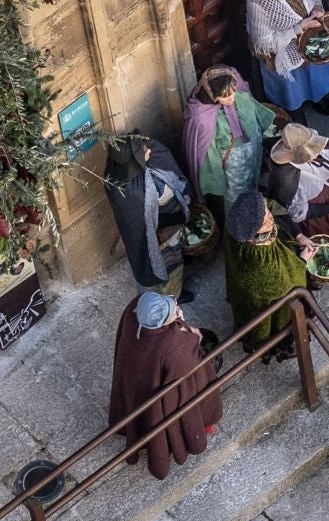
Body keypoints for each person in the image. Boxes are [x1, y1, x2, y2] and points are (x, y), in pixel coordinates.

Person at [107, 291, 221, 480]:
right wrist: (193, 336)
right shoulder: (169, 345)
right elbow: (188, 362)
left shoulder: (135, 308)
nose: (177, 310)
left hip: (136, 380)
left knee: (142, 411)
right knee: (193, 397)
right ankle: (195, 430)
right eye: (173, 312)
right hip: (164, 389)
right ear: (160, 324)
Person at [104, 135, 193, 301]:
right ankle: (171, 297)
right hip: (156, 235)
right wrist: (179, 218)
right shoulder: (129, 191)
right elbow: (146, 223)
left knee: (173, 259)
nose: (149, 151)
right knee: (163, 267)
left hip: (168, 223)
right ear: (132, 162)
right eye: (143, 152)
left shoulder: (123, 165)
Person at [221, 191, 312, 354]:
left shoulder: (236, 223)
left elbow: (271, 206)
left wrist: (299, 235)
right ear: (253, 235)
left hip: (240, 288)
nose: (270, 218)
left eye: (267, 214)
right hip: (265, 305)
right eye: (265, 221)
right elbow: (285, 285)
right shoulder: (263, 261)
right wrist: (302, 261)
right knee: (270, 323)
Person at [180, 65, 276, 216]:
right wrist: (217, 178)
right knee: (237, 197)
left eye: (233, 92)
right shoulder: (201, 117)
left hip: (252, 151)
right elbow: (206, 154)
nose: (231, 98)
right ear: (212, 95)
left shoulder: (237, 92)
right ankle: (239, 222)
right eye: (225, 96)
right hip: (232, 165)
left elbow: (252, 109)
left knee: (254, 182)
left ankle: (255, 209)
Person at [262, 122, 329, 249]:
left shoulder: (306, 140)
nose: (316, 155)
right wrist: (327, 208)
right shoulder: (286, 179)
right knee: (327, 238)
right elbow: (295, 211)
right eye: (310, 154)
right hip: (315, 214)